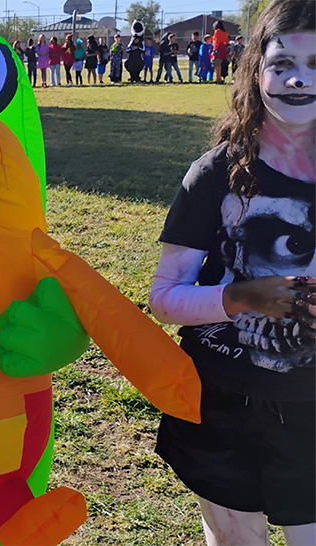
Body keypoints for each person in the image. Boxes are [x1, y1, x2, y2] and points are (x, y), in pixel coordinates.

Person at [150, 1, 316, 544]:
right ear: (255, 70)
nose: (297, 78)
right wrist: (240, 297)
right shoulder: (214, 174)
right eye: (282, 61)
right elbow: (164, 297)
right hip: (219, 403)